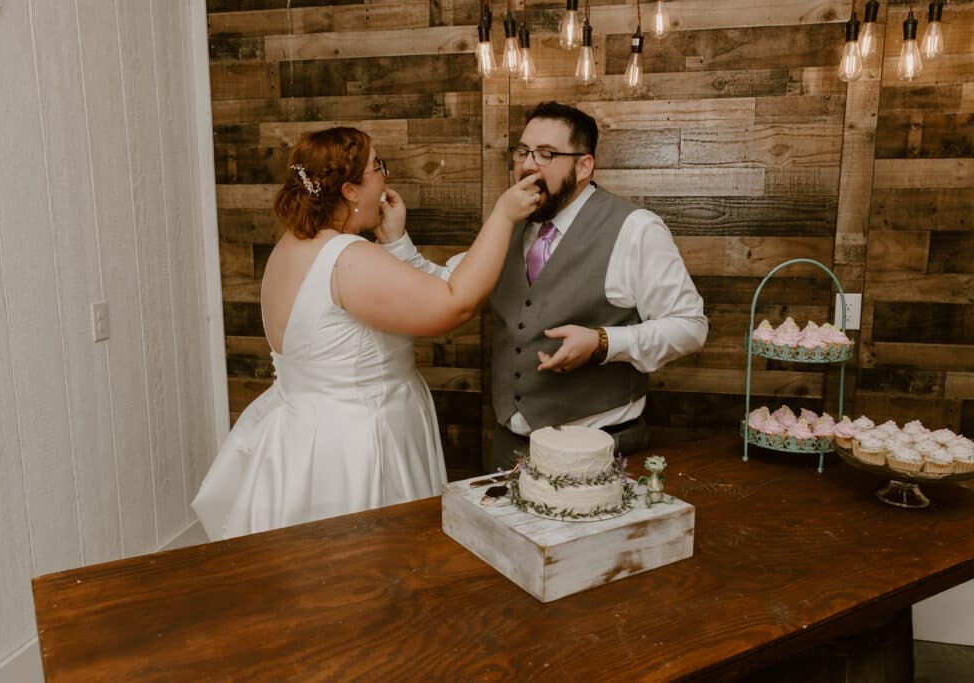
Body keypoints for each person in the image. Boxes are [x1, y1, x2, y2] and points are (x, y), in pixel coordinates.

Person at [193, 127, 542, 540]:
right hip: (356, 445)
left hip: (303, 435)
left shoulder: (292, 245)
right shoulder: (348, 258)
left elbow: (412, 287)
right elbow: (454, 303)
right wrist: (503, 216)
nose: (385, 178)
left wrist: (395, 240)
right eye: (378, 167)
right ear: (350, 190)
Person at [380, 101, 708, 472]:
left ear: (583, 166)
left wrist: (603, 342)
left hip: (597, 453)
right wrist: (397, 241)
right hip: (507, 451)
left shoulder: (636, 230)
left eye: (547, 154)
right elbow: (449, 285)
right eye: (523, 151)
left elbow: (690, 327)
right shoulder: (509, 223)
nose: (528, 165)